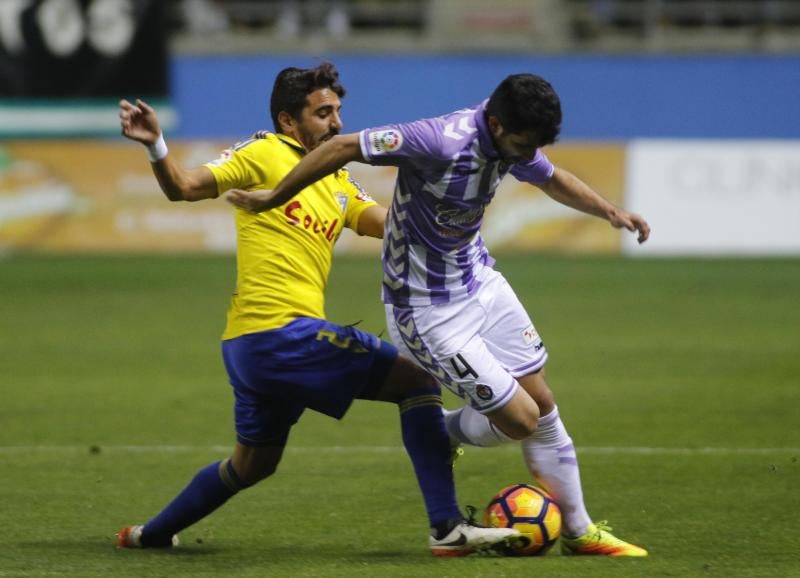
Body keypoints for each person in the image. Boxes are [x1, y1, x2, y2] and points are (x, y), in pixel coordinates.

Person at [226, 73, 652, 557]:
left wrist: (610, 212)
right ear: (494, 122)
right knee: (522, 420)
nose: (522, 155)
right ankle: (439, 433)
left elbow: (550, 177)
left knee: (543, 401)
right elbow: (343, 146)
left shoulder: (514, 137)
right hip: (427, 310)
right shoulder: (435, 141)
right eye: (518, 144)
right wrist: (274, 196)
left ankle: (579, 532)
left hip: (481, 281)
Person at [115, 62, 519, 556]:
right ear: (289, 121)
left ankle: (151, 534)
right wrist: (156, 145)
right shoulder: (264, 151)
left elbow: (383, 222)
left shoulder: (338, 179)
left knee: (253, 465)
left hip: (253, 350)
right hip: (280, 334)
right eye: (323, 113)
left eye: (338, 112)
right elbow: (183, 186)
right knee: (417, 381)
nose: (336, 123)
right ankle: (447, 527)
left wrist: (449, 207)